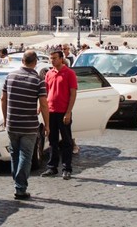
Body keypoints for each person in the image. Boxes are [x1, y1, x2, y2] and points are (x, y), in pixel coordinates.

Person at [1, 50, 49, 200]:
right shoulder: (38, 80)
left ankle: (17, 182)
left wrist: (5, 118)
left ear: (22, 60)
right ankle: (20, 188)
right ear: (35, 63)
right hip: (29, 125)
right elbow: (44, 104)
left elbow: (3, 99)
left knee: (15, 154)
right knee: (25, 156)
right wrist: (47, 124)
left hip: (12, 123)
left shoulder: (10, 76)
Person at [40, 50, 78, 180]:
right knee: (52, 141)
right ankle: (52, 167)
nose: (52, 60)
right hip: (50, 111)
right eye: (51, 58)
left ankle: (67, 168)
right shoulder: (49, 73)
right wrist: (41, 106)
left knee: (67, 141)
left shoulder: (70, 73)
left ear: (61, 59)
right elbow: (45, 92)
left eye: (55, 58)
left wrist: (68, 112)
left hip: (63, 112)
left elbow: (73, 94)